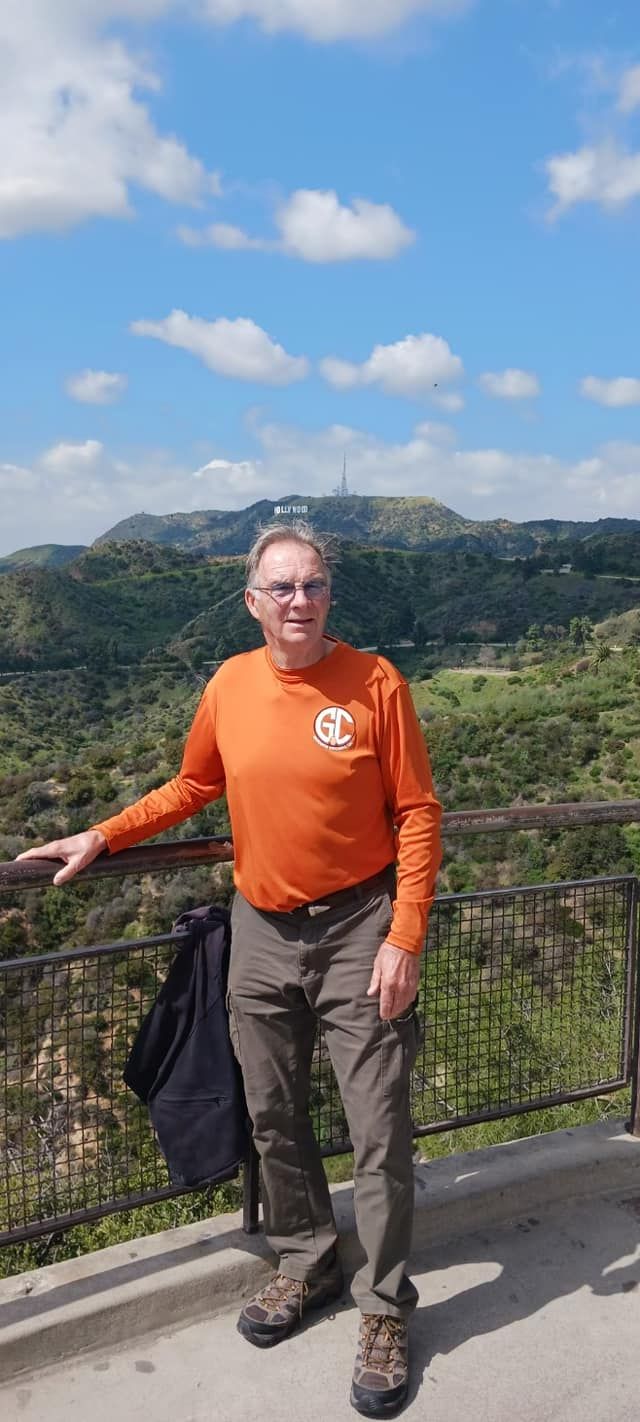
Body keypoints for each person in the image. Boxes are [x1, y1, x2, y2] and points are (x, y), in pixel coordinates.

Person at [18, 521, 442, 1419]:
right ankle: (307, 1260)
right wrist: (102, 834)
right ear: (252, 603)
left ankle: (384, 1307)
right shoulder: (232, 683)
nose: (299, 602)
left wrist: (405, 935)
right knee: (273, 1111)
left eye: (314, 585)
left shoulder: (375, 683)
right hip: (259, 927)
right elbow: (191, 785)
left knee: (379, 1127)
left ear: (332, 597)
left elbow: (416, 813)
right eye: (281, 588)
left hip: (361, 925)